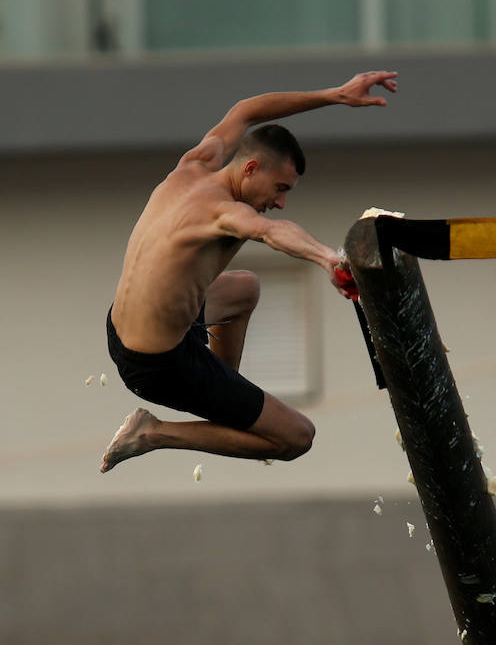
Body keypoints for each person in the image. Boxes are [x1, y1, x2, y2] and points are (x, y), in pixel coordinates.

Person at [100, 71, 398, 473]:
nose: (280, 202)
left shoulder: (195, 164)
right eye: (279, 189)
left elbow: (247, 110)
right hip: (157, 367)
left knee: (244, 288)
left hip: (124, 326)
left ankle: (223, 396)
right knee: (297, 437)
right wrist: (328, 258)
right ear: (251, 168)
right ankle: (152, 433)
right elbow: (272, 232)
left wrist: (336, 95)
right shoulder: (224, 212)